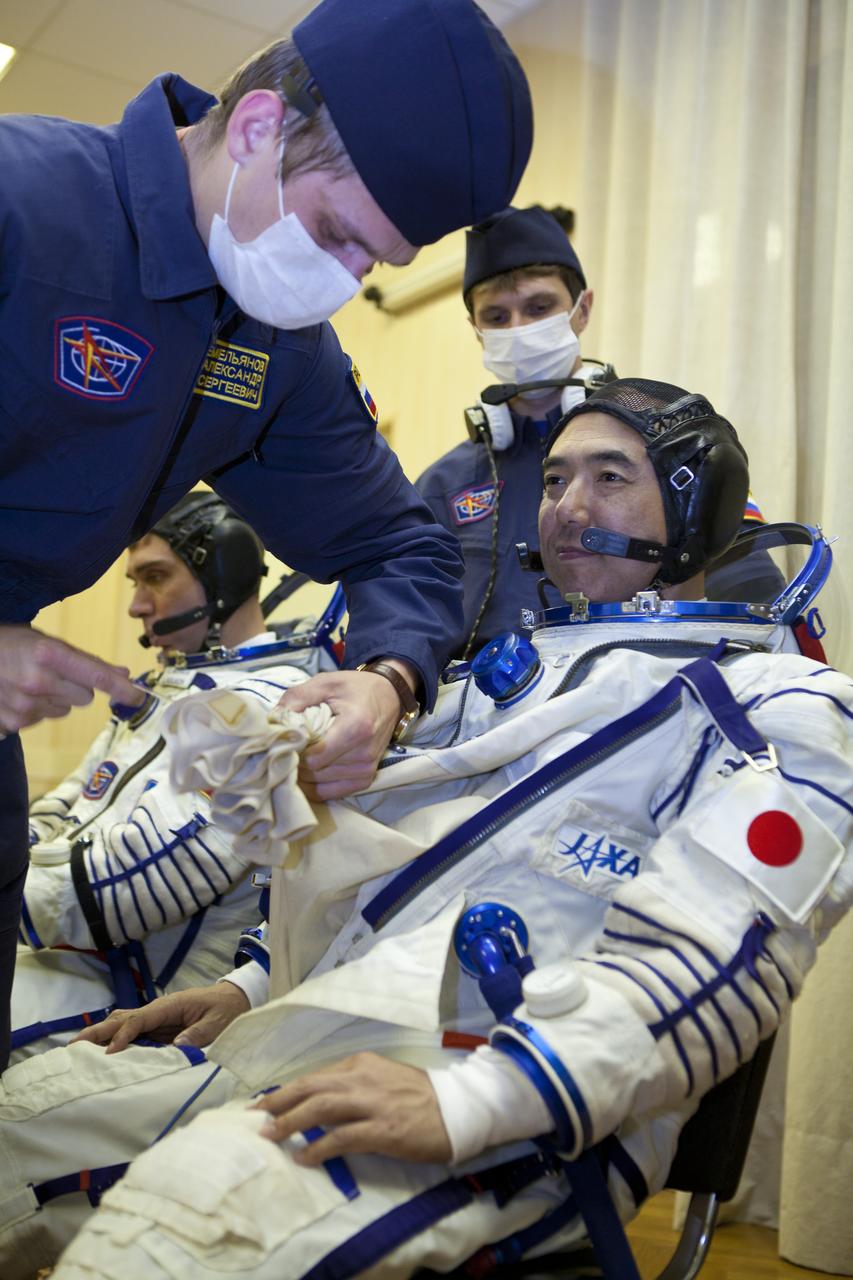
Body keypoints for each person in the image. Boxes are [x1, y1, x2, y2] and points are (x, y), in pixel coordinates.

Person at [0, 379, 849, 1280]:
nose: (565, 507)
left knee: (171, 1235)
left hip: (516, 1099)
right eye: (555, 479)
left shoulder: (779, 708)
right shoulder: (497, 680)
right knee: (17, 1125)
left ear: (693, 500)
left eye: (609, 478)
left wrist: (479, 1101)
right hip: (320, 1035)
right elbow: (392, 861)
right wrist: (250, 987)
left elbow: (715, 955)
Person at [0, 0, 534, 1070]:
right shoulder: (25, 198)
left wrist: (388, 677)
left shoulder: (268, 346)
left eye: (370, 265)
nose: (337, 282)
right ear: (253, 129)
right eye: (336, 233)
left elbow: (400, 544)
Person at [12, 491, 343, 1063]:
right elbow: (62, 807)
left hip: (150, 1008)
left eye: (155, 578)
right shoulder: (164, 687)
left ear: (223, 573)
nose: (138, 606)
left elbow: (122, 888)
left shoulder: (265, 703)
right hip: (74, 959)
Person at [416, 205, 777, 656]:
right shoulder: (441, 485)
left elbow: (757, 596)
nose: (519, 329)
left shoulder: (675, 447)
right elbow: (411, 623)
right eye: (497, 317)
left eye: (539, 307)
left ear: (582, 309)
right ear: (476, 330)